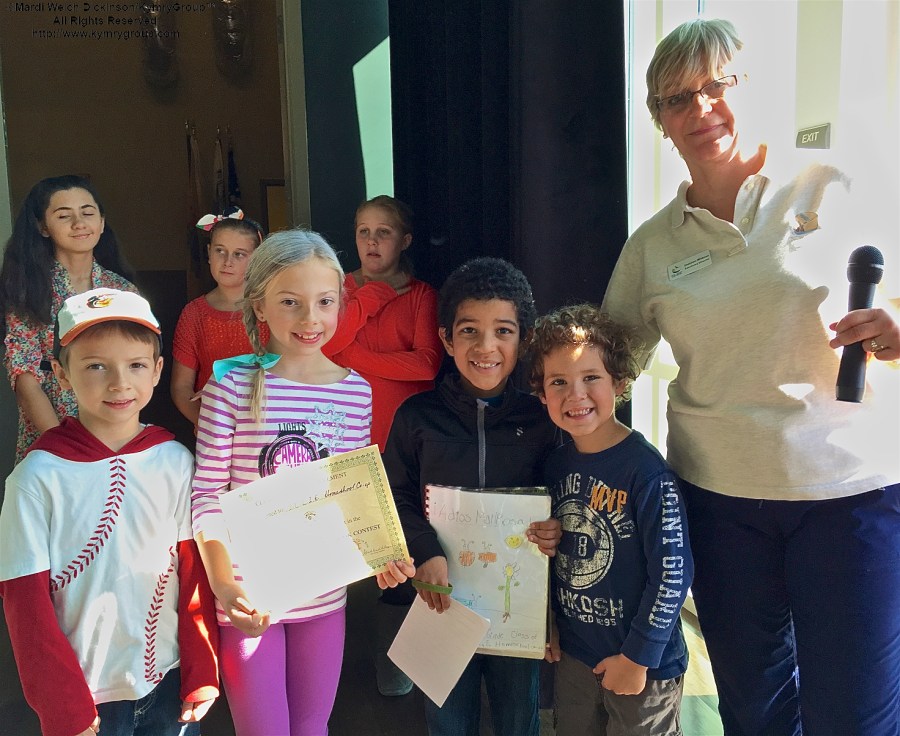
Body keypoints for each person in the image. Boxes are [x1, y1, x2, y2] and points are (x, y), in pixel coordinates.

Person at [602, 18, 900, 736]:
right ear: (660, 124)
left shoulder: (837, 182)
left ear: (747, 90)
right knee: (756, 713)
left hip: (850, 497)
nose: (700, 108)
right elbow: (608, 363)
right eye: (677, 99)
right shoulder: (651, 246)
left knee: (854, 717)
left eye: (715, 85)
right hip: (719, 502)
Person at [191, 228, 415, 736]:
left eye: (325, 302)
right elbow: (206, 494)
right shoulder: (230, 385)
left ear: (340, 304)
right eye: (290, 302)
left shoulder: (355, 391)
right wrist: (225, 585)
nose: (310, 319)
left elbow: (355, 493)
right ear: (260, 305)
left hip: (322, 597)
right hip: (250, 598)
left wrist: (381, 552)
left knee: (313, 728)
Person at [0, 288, 220, 736]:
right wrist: (63, 706)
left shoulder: (175, 461)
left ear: (158, 370)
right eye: (96, 366)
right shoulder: (36, 478)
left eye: (136, 365)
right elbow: (25, 604)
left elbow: (195, 574)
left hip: (168, 682)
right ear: (61, 375)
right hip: (85, 696)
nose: (120, 383)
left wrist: (202, 672)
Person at [383, 256, 562, 736]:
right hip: (441, 600)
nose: (486, 347)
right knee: (447, 721)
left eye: (503, 331)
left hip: (516, 605)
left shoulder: (544, 419)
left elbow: (565, 497)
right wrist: (424, 551)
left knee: (516, 719)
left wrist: (555, 529)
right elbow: (394, 495)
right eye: (469, 331)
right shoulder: (417, 416)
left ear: (523, 338)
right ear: (445, 338)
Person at [528, 303, 693, 736]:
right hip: (576, 656)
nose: (575, 394)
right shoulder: (554, 466)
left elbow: (673, 573)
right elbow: (554, 556)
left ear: (619, 383)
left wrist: (638, 657)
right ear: (542, 394)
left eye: (591, 378)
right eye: (558, 382)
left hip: (643, 665)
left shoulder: (646, 470)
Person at [324, 194, 443, 696]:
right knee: (340, 555)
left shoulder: (421, 296)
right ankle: (332, 668)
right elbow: (326, 346)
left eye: (384, 232)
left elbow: (427, 366)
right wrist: (370, 301)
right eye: (362, 232)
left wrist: (355, 357)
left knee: (401, 549)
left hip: (403, 443)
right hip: (343, 440)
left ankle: (396, 668)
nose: (372, 242)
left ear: (405, 239)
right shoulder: (340, 289)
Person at [0, 175, 137, 463]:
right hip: (49, 429)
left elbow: (138, 367)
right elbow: (25, 375)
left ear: (101, 222)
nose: (79, 223)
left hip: (114, 426)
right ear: (42, 227)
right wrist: (62, 446)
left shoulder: (123, 291)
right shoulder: (27, 290)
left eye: (87, 213)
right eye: (64, 216)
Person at [170, 208, 269, 427]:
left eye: (239, 254)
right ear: (208, 252)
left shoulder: (271, 309)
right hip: (214, 432)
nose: (227, 261)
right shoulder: (193, 314)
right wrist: (209, 426)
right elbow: (181, 388)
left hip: (268, 426)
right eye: (220, 251)